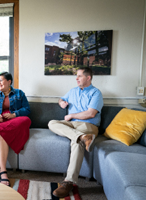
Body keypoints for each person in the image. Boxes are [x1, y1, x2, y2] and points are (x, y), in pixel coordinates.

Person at [48, 67, 103, 198]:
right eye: (76, 76)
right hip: (72, 125)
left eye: (79, 76)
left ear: (88, 77)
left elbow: (91, 113)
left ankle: (68, 182)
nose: (76, 78)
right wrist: (61, 102)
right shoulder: (72, 91)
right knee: (51, 123)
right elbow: (60, 99)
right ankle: (82, 137)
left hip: (88, 125)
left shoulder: (96, 93)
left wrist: (71, 114)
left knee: (76, 143)